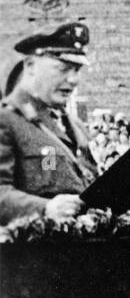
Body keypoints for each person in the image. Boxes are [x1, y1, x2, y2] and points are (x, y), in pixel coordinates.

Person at [0, 22, 97, 224]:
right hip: (32, 250)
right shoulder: (7, 120)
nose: (73, 80)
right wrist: (45, 208)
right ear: (30, 66)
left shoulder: (74, 126)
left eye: (77, 70)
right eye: (63, 68)